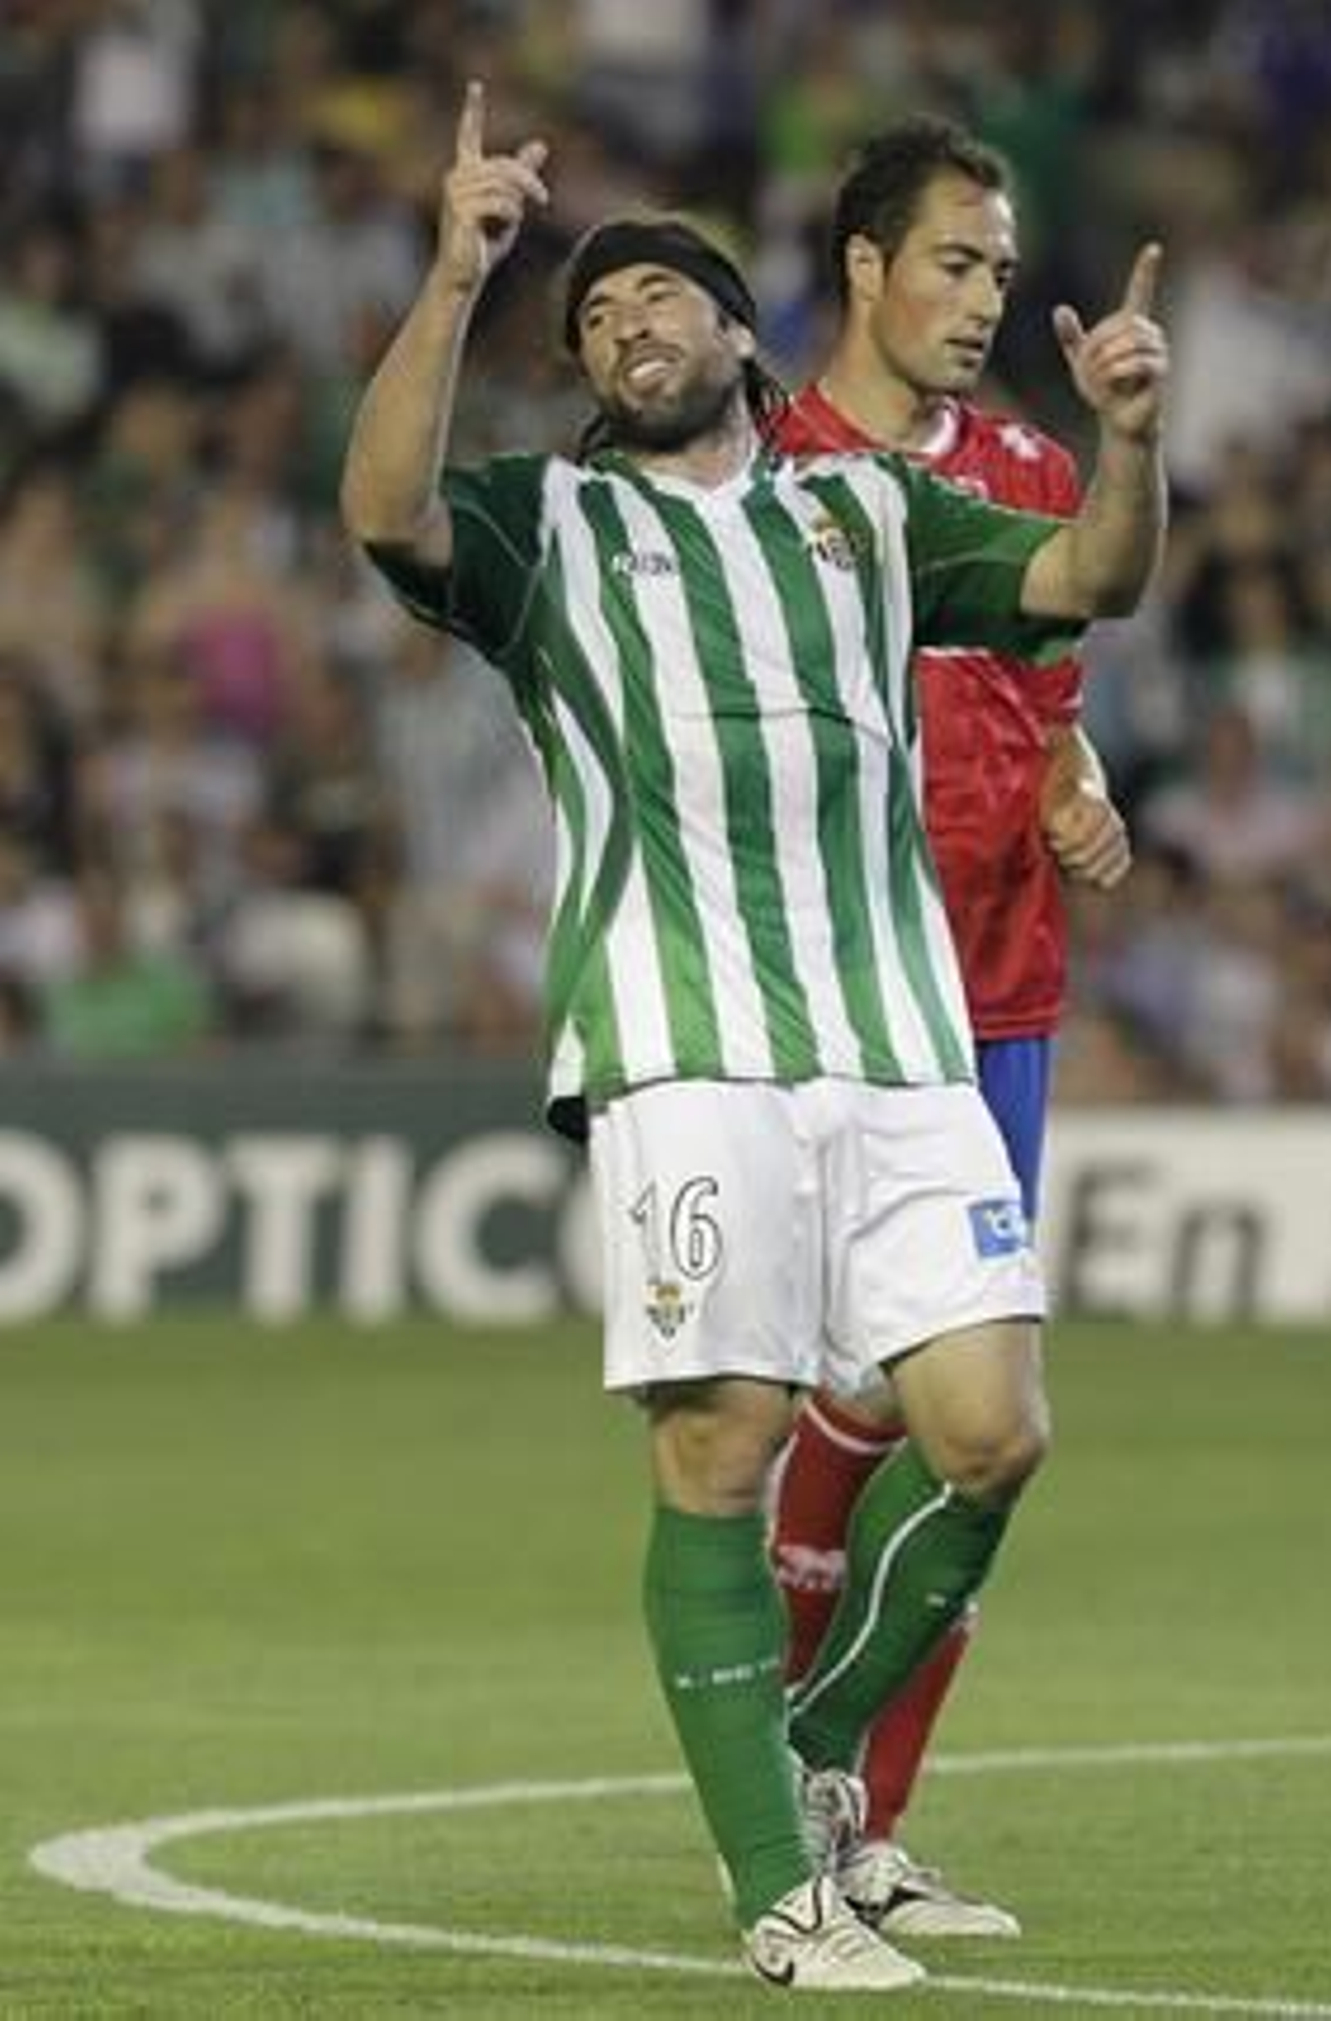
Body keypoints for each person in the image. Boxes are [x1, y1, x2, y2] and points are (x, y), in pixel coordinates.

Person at [341, 82, 1166, 1993]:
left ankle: (807, 1750)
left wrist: (1132, 438)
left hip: (902, 1050)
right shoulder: (548, 526)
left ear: (739, 329)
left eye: (660, 297)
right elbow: (380, 508)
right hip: (689, 1056)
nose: (626, 324)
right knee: (723, 1448)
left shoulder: (868, 513)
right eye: (594, 316)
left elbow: (1090, 583)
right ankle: (781, 1892)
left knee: (993, 1433)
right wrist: (457, 277)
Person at [768, 116, 1135, 1941]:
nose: (985, 298)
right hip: (829, 1005)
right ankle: (792, 1798)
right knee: (858, 1398)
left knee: (952, 1434)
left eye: (1000, 267)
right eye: (955, 262)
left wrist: (1086, 788)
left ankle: (861, 1821)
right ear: (865, 266)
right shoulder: (763, 469)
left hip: (1002, 992)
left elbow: (1051, 702)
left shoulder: (1033, 469)